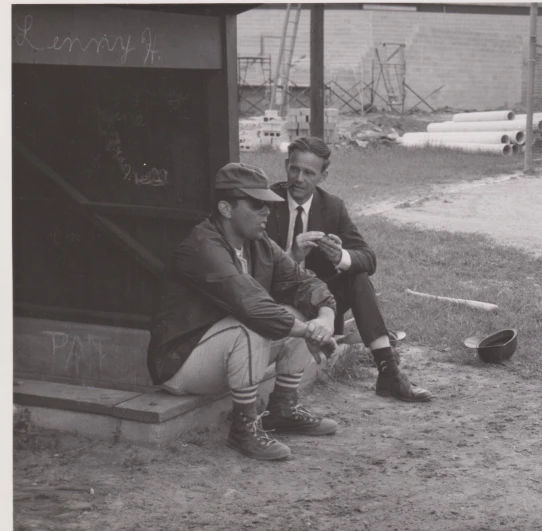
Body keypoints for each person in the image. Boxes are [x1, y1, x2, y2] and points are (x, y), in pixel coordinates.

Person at [147, 162, 340, 461]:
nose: (266, 211)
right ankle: (243, 428)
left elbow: (303, 283)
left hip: (227, 357)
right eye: (256, 204)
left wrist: (324, 318)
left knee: (297, 313)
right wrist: (308, 332)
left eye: (267, 204)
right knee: (254, 324)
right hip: (182, 363)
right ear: (226, 208)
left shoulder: (258, 243)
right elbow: (251, 307)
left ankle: (283, 410)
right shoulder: (202, 246)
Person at [266, 136, 433, 403]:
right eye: (294, 169)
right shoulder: (268, 201)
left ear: (323, 176)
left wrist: (340, 256)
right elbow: (258, 270)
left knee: (357, 277)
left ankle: (388, 371)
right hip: (277, 297)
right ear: (286, 165)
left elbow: (368, 258)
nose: (299, 178)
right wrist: (292, 256)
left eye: (309, 173)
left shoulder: (331, 206)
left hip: (320, 304)